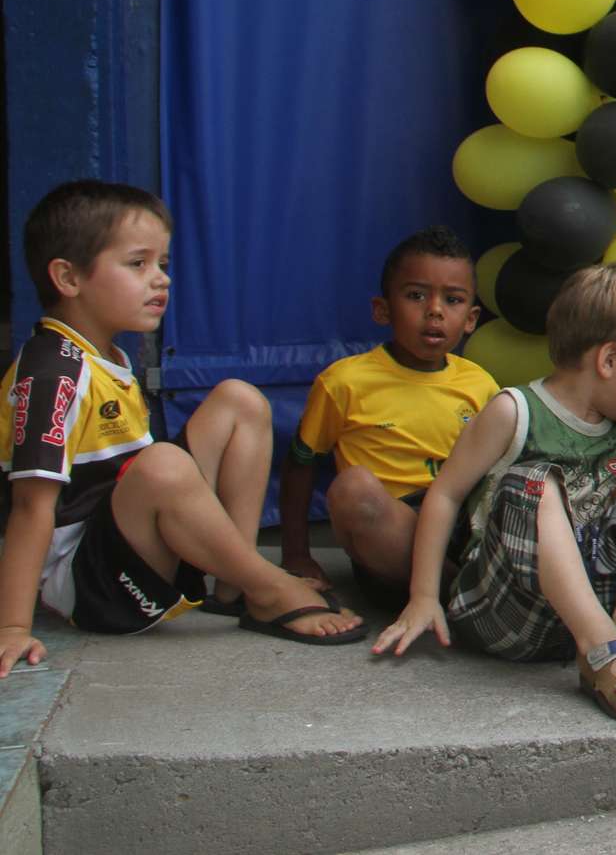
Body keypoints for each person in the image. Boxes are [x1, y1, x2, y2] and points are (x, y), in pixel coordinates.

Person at [2, 181, 363, 674]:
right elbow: (30, 506)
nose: (162, 279)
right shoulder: (54, 374)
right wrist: (12, 626)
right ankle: (269, 586)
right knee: (162, 464)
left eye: (163, 264)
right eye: (138, 264)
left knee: (239, 400)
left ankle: (235, 585)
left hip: (128, 537)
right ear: (69, 277)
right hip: (88, 586)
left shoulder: (106, 355)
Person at [373, 262, 616, 727]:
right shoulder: (514, 411)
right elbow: (445, 495)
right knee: (534, 481)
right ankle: (605, 649)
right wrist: (423, 595)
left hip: (580, 610)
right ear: (608, 359)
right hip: (506, 609)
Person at [278, 227, 498, 599]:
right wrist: (296, 554)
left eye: (453, 299)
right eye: (416, 295)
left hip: (461, 526)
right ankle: (468, 597)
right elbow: (300, 465)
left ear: (471, 318)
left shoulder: (480, 384)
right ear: (383, 309)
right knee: (353, 489)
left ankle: (469, 592)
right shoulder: (344, 381)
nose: (435, 310)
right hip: (391, 536)